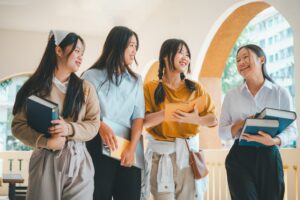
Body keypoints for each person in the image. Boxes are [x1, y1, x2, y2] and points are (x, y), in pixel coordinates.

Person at [11, 30, 100, 200]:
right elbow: (18, 126)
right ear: (58, 50)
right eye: (77, 51)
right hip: (46, 159)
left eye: (83, 53)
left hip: (79, 161)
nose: (81, 57)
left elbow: (94, 124)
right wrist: (46, 141)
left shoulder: (86, 88)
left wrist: (69, 128)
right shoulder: (35, 88)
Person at [219, 44, 297, 200]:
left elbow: (293, 130)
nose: (241, 62)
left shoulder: (280, 93)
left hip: (269, 156)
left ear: (262, 59)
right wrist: (241, 123)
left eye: (246, 57)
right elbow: (222, 132)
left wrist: (273, 141)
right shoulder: (231, 96)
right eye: (238, 60)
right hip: (239, 157)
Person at [142, 38, 218, 200]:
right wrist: (167, 113)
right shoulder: (150, 87)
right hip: (160, 157)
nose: (185, 57)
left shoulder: (195, 87)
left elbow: (212, 120)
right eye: (180, 52)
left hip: (188, 158)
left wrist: (195, 119)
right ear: (165, 56)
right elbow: (144, 121)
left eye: (187, 54)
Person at [82, 26, 144, 200]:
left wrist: (132, 148)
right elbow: (81, 112)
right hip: (98, 145)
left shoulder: (136, 80)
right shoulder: (90, 76)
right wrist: (100, 125)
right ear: (118, 45)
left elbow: (138, 117)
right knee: (98, 195)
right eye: (131, 45)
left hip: (128, 147)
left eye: (136, 46)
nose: (134, 51)